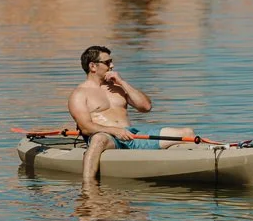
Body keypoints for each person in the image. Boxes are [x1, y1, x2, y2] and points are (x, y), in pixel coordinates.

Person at [68, 46, 195, 182]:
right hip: (107, 138)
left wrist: (122, 83)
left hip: (131, 136)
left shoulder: (118, 87)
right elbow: (86, 127)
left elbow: (146, 107)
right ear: (93, 66)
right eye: (107, 62)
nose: (112, 65)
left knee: (187, 133)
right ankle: (88, 189)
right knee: (99, 139)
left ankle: (192, 168)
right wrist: (115, 131)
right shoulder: (79, 94)